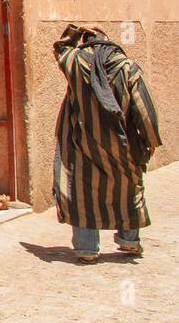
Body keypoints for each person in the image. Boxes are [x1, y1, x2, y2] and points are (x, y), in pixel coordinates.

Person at [52, 24, 161, 263]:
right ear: (109, 42)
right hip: (123, 144)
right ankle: (130, 242)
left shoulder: (76, 63)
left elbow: (60, 48)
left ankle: (87, 250)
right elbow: (144, 106)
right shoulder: (127, 66)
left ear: (86, 43)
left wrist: (76, 30)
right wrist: (150, 140)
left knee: (83, 193)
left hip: (82, 144)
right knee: (128, 189)